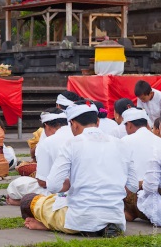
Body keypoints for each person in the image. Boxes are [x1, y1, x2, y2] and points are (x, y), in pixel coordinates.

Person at [20, 100, 138, 237]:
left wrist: (70, 184)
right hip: (116, 218)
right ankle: (103, 225)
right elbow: (133, 186)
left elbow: (52, 185)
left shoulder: (71, 144)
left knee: (29, 201)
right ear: (98, 122)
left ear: (74, 124)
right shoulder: (121, 144)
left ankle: (51, 225)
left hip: (80, 218)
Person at [6, 108, 73, 204]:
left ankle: (28, 202)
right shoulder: (80, 136)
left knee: (16, 185)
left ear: (46, 125)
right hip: (85, 188)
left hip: (61, 191)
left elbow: (42, 182)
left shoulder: (47, 142)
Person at [121, 107, 158, 222]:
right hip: (156, 198)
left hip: (134, 199)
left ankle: (128, 213)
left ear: (130, 125)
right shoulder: (158, 140)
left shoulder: (125, 141)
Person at [137, 147, 161, 227]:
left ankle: (129, 213)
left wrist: (142, 184)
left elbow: (150, 188)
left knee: (131, 191)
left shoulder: (157, 152)